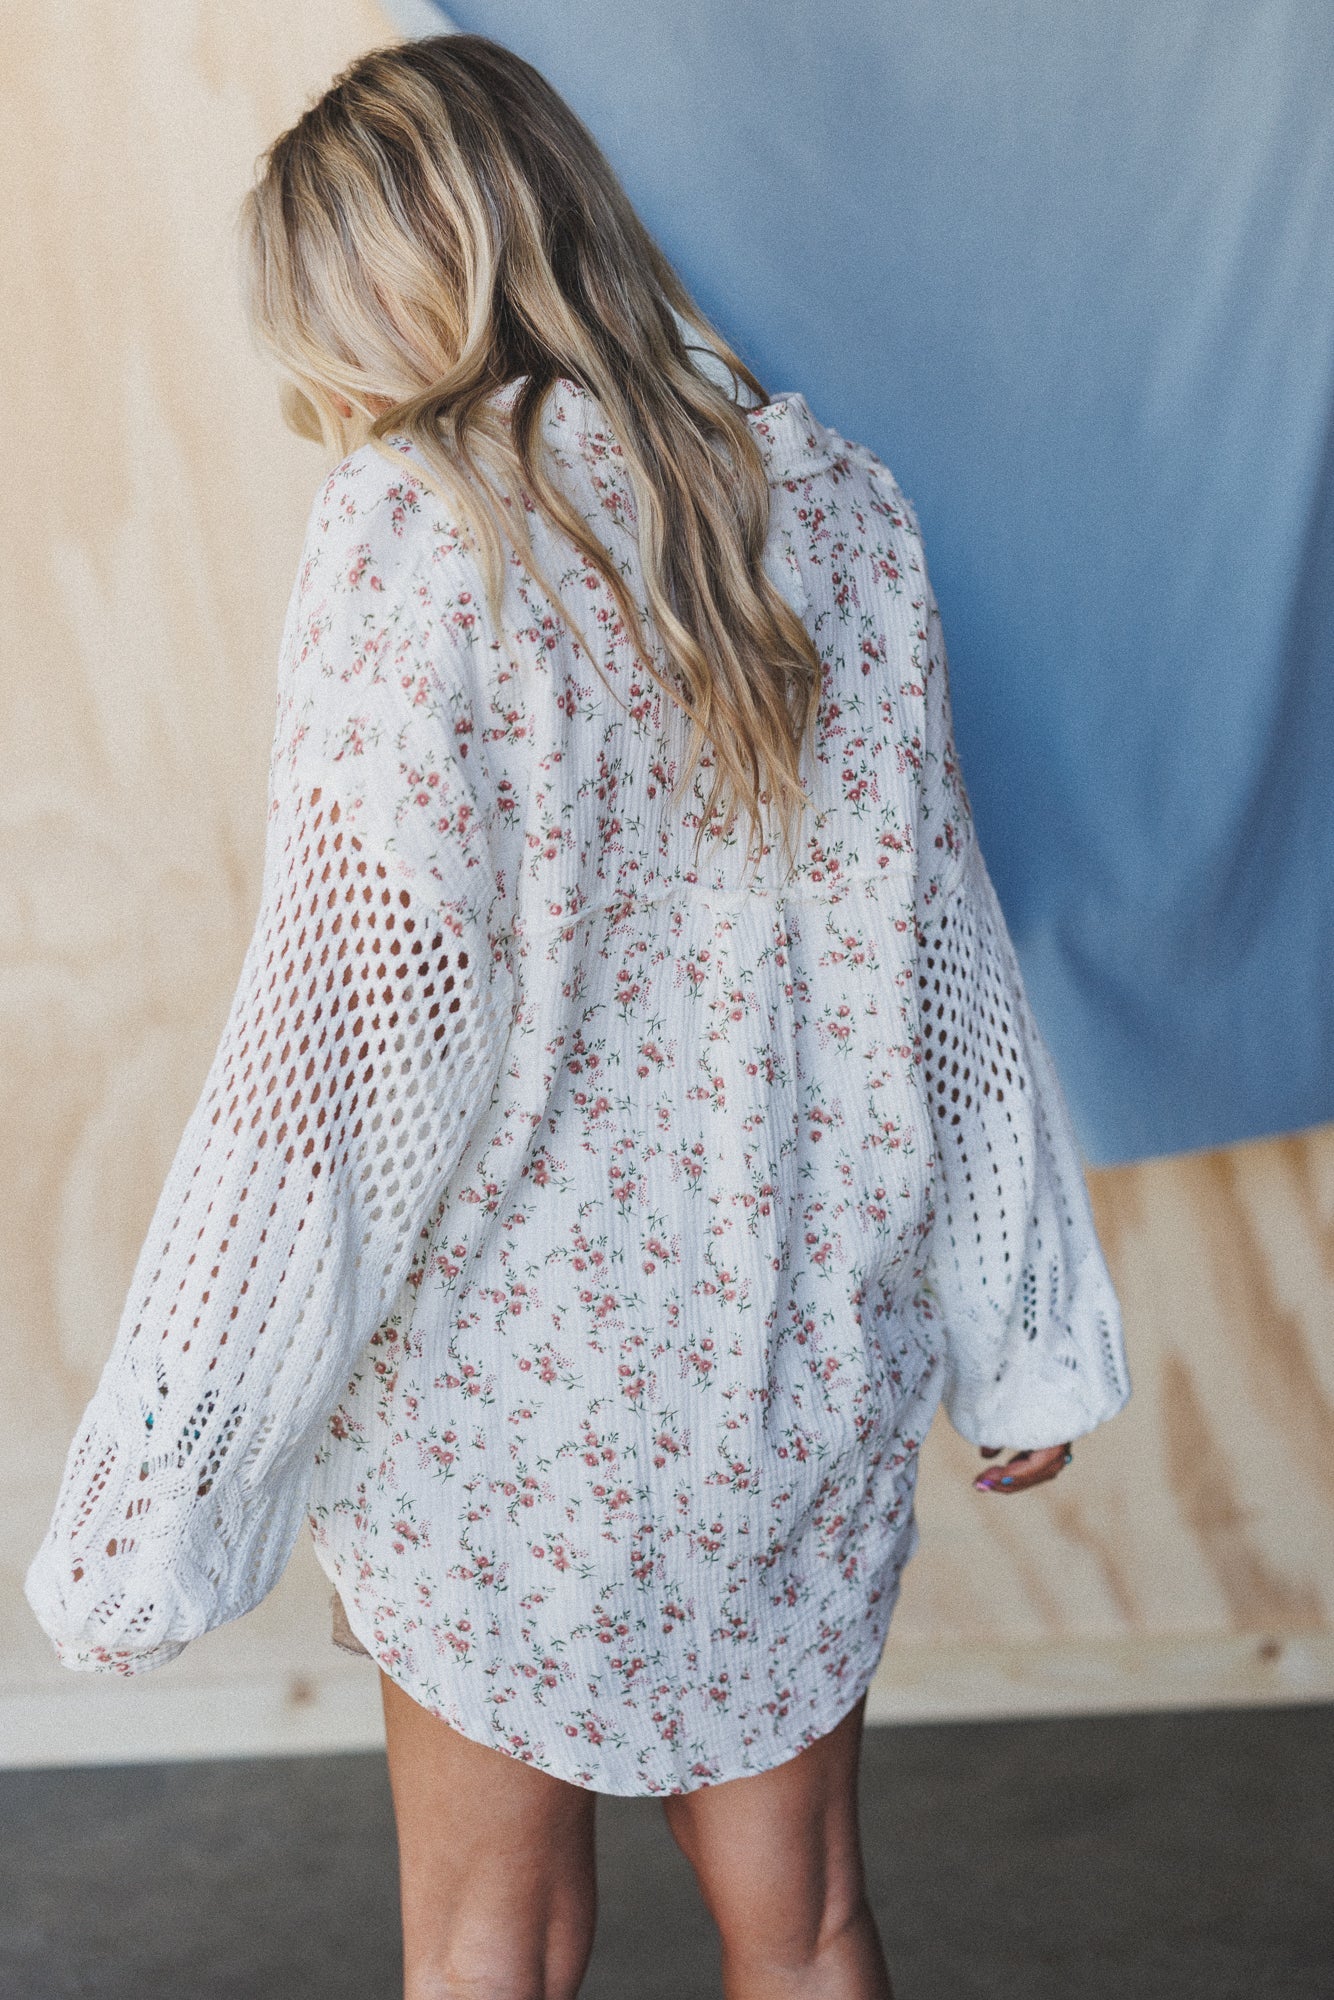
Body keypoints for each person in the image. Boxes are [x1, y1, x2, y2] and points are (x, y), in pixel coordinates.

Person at [26, 34, 1130, 2000]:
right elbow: (935, 949)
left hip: (509, 1411)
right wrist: (1018, 1327)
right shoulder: (844, 513)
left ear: (386, 292)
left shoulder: (416, 534)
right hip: (792, 1357)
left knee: (487, 1949)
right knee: (803, 1929)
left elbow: (344, 1056)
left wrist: (161, 1483)